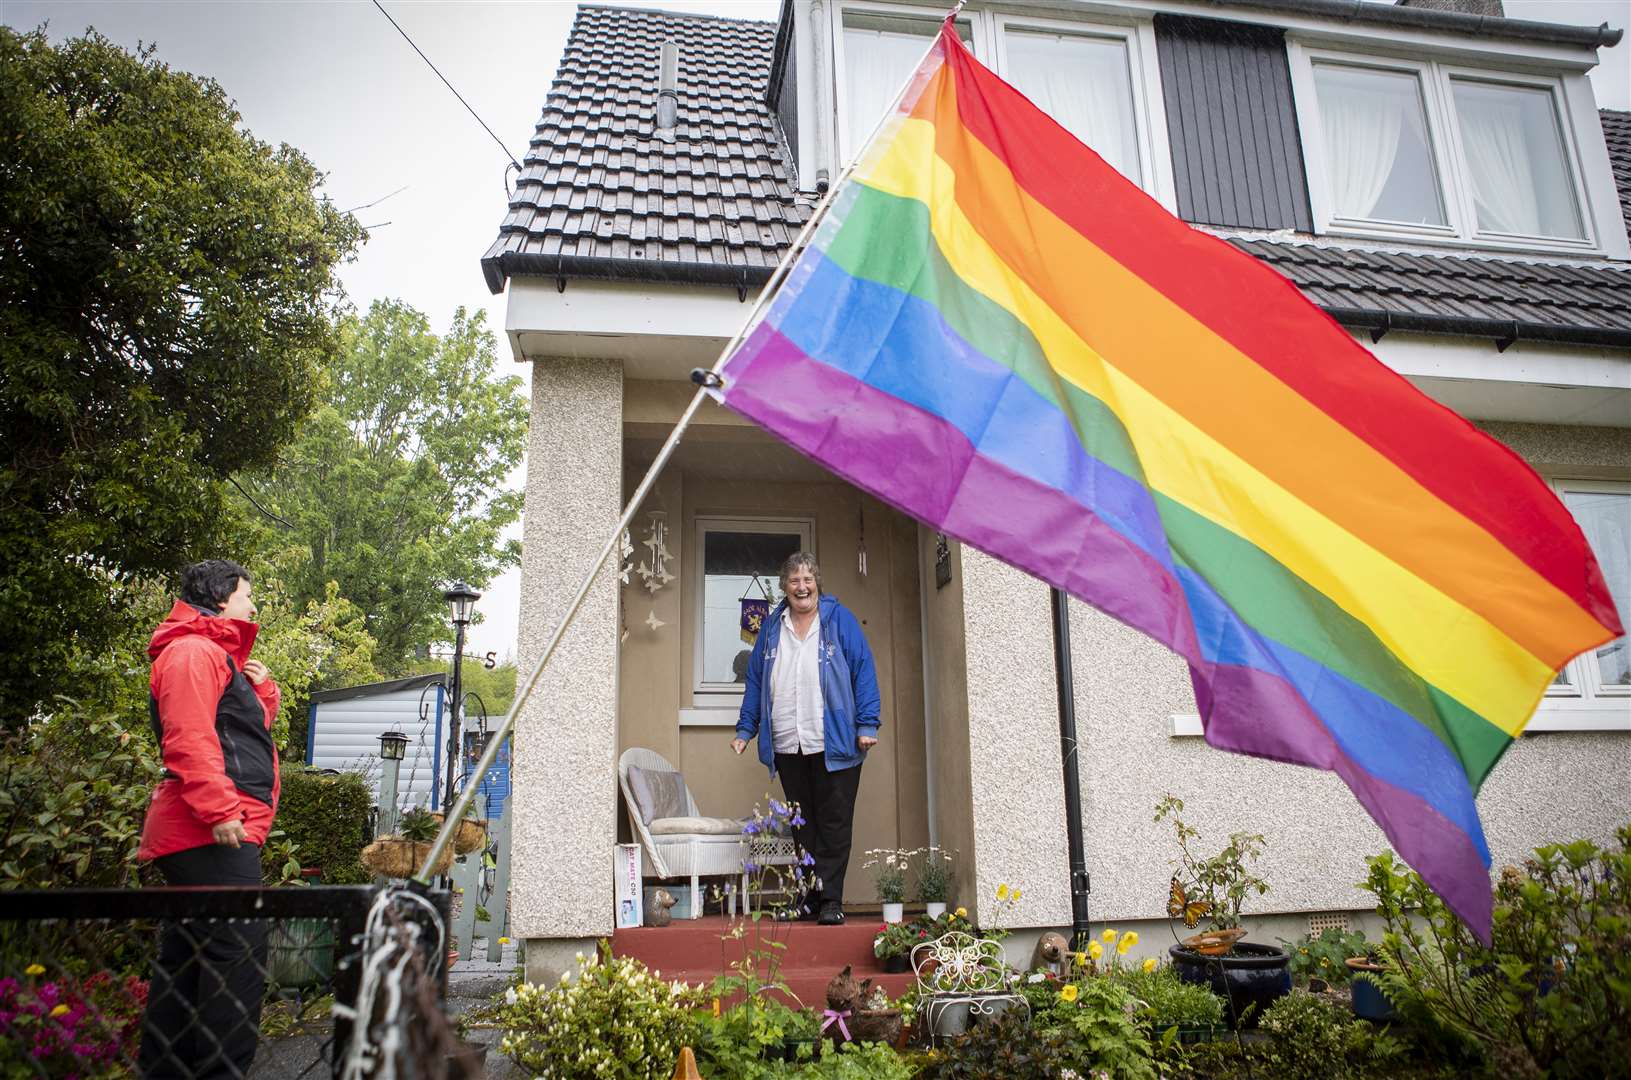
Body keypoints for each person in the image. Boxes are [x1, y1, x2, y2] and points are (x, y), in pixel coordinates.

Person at [138, 559, 280, 1079]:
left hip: (204, 830)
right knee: (236, 960)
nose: (252, 605)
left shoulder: (210, 654)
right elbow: (189, 737)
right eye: (246, 595)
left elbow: (234, 734)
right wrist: (221, 810)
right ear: (221, 598)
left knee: (188, 960)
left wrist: (263, 694)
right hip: (208, 830)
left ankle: (166, 1071)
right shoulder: (194, 651)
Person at [732, 552, 880, 926]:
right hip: (788, 742)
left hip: (835, 740)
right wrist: (746, 729)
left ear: (817, 584)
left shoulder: (838, 620)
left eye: (808, 579)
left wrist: (867, 724)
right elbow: (756, 680)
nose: (802, 586)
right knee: (802, 824)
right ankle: (809, 898)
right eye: (794, 580)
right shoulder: (771, 626)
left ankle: (830, 900)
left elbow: (863, 668)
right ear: (785, 586)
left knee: (833, 822)